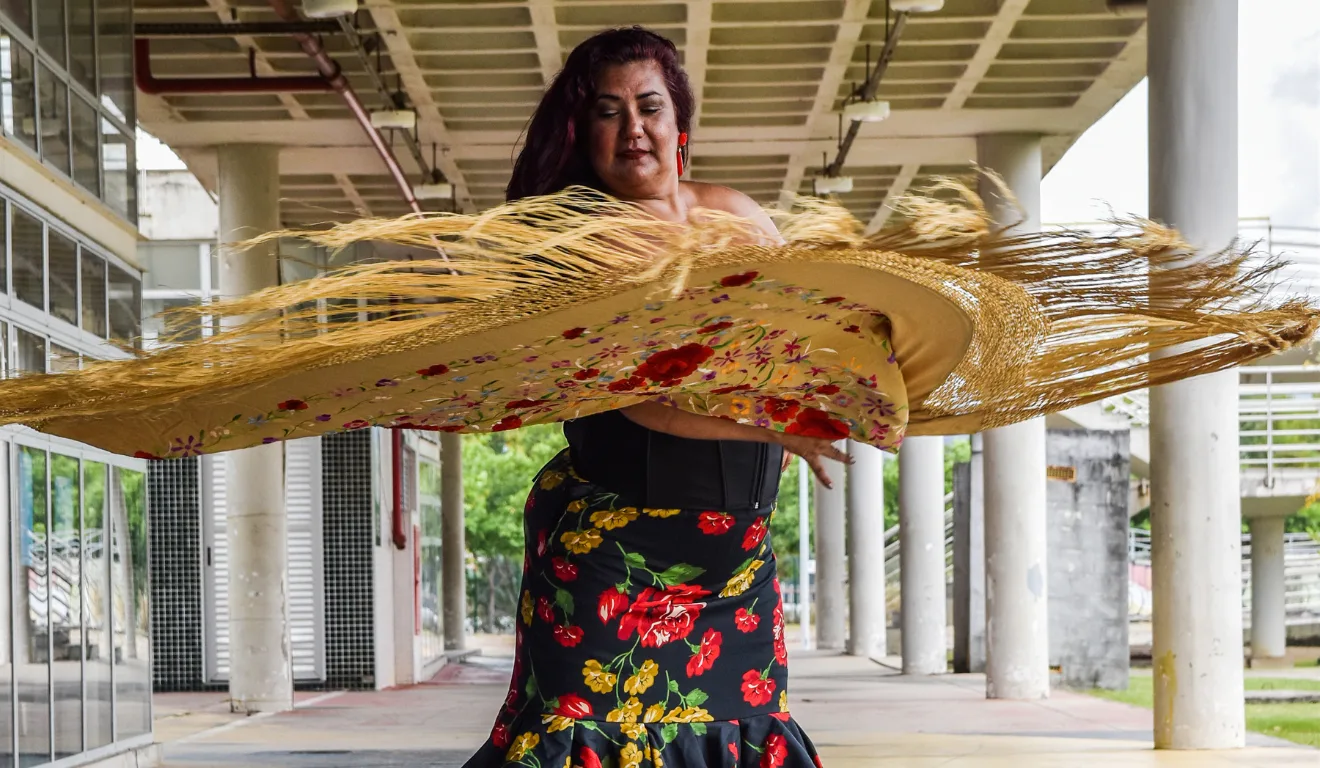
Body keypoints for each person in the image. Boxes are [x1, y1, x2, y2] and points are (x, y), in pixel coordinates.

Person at [464, 26, 848, 768]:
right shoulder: (581, 243)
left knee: (744, 734)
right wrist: (771, 424)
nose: (633, 128)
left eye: (649, 106)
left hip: (736, 566)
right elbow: (632, 396)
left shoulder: (737, 215)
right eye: (609, 111)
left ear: (679, 125)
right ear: (583, 133)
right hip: (615, 558)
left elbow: (805, 333)